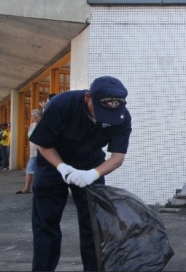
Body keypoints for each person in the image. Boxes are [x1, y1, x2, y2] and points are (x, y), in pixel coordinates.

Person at [29, 76, 132, 271]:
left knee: (94, 227)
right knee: (46, 225)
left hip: (90, 165)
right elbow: (43, 143)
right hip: (52, 164)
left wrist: (92, 174)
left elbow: (117, 157)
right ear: (88, 98)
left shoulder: (121, 116)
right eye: (101, 112)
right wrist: (62, 168)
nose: (105, 119)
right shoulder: (62, 104)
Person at [16, 109, 43, 194]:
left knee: (42, 170)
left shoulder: (44, 124)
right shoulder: (32, 125)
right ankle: (27, 188)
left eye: (36, 115)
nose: (33, 117)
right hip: (33, 151)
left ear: (40, 116)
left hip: (43, 151)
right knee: (30, 169)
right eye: (32, 116)